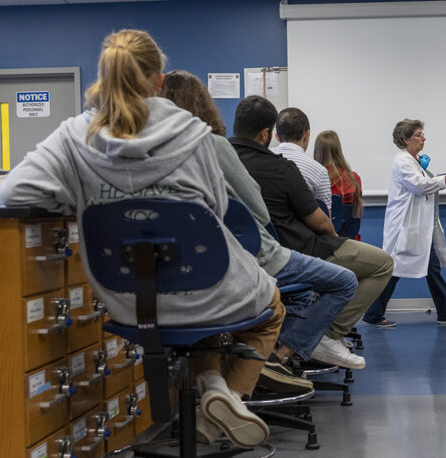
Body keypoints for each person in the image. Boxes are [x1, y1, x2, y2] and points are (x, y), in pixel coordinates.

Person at [0, 30, 284, 449]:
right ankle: (228, 394)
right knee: (270, 303)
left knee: (184, 312)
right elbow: (215, 212)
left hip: (128, 301)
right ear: (158, 81)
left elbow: (14, 193)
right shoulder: (195, 133)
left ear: (103, 79)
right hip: (208, 286)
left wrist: (76, 195)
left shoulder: (74, 136)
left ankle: (210, 387)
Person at [159, 70, 358, 391]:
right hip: (239, 261)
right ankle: (276, 359)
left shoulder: (147, 152)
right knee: (341, 280)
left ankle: (223, 380)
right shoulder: (213, 145)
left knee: (292, 291)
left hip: (176, 275)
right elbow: (258, 210)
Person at [230, 96, 394, 369]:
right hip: (292, 252)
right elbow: (320, 221)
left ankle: (297, 342)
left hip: (237, 261)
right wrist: (331, 236)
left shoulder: (218, 164)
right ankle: (324, 335)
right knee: (382, 264)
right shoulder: (281, 168)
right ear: (265, 133)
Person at [362, 119, 446, 327]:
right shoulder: (402, 161)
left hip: (417, 227)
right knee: (394, 270)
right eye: (419, 135)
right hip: (405, 226)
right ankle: (374, 313)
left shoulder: (413, 161)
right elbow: (420, 186)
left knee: (430, 268)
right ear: (405, 139)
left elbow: (423, 183)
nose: (424, 139)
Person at [270, 107, 333, 211]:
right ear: (306, 135)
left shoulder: (259, 160)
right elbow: (326, 218)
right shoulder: (319, 171)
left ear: (276, 136)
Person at [313, 129, 363, 239]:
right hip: (350, 240)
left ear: (317, 150)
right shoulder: (354, 178)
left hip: (321, 241)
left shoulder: (315, 178)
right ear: (338, 150)